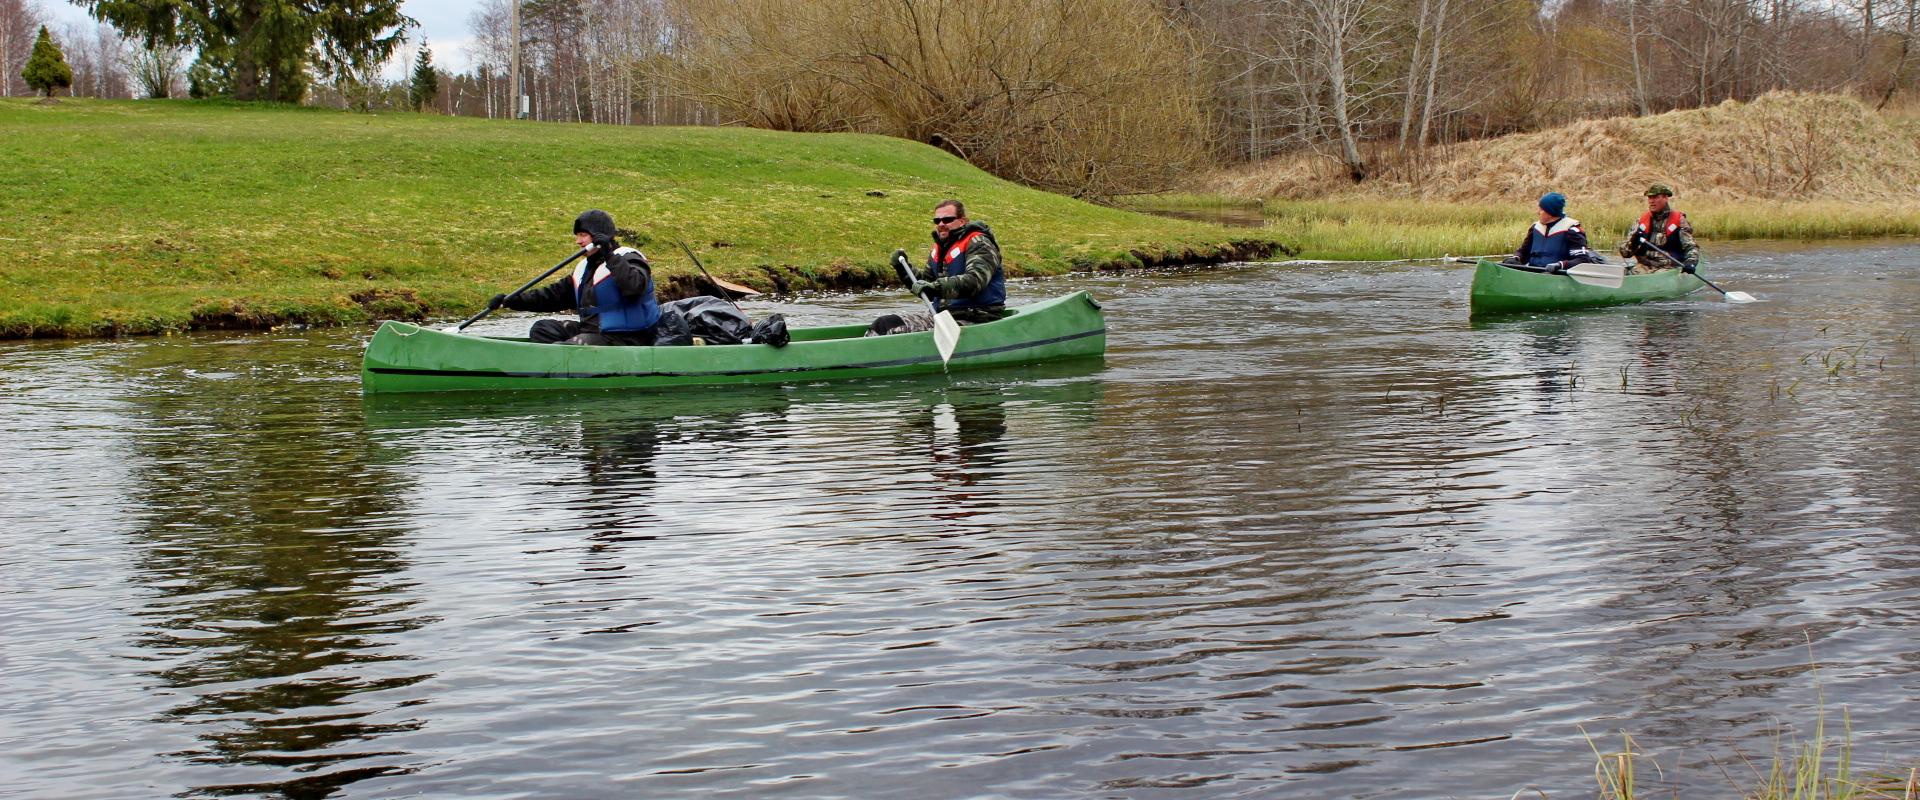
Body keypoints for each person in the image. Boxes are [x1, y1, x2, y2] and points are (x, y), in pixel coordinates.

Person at [493, 210, 662, 345]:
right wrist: (512, 301)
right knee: (542, 329)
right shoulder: (584, 269)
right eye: (577, 235)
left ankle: (557, 364)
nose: (578, 241)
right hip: (593, 333)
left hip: (627, 338)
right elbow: (552, 296)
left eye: (582, 235)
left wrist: (609, 255)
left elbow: (635, 286)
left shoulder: (628, 258)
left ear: (598, 236)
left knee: (576, 345)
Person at [867, 199, 1007, 336]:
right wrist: (903, 269)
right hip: (942, 317)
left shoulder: (979, 243)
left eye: (947, 220)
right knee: (884, 325)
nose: (941, 224)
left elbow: (975, 281)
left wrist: (935, 287)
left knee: (893, 330)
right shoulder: (940, 248)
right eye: (937, 221)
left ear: (963, 221)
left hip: (976, 317)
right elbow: (927, 289)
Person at [1509, 192, 1603, 273]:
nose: (1538, 212)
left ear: (1550, 213)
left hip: (1556, 274)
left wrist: (1560, 265)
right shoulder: (1535, 228)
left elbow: (1582, 260)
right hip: (1533, 272)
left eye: (1541, 209)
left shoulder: (1572, 230)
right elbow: (1523, 252)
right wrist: (1516, 257)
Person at [1618, 183, 1700, 275]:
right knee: (1622, 273)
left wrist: (1691, 263)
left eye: (1656, 197)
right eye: (1650, 198)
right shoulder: (1641, 221)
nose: (1651, 201)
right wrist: (1634, 241)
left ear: (1665, 198)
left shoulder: (1679, 220)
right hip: (1643, 267)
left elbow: (1691, 247)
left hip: (1668, 269)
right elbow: (1625, 254)